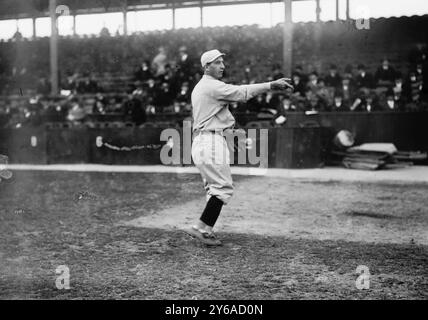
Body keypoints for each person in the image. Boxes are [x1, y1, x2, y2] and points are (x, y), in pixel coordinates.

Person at [185, 49, 293, 246]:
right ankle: (200, 227)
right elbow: (242, 93)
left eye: (222, 62)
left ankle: (206, 229)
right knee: (222, 188)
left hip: (204, 140)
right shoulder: (211, 86)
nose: (222, 66)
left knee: (213, 189)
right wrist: (270, 85)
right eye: (217, 63)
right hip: (211, 141)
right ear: (206, 66)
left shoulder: (200, 87)